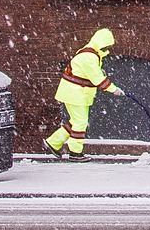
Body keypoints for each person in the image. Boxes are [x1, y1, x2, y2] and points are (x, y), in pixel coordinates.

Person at [44, 27, 124, 158]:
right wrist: (113, 89)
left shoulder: (91, 53)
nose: (107, 48)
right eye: (106, 45)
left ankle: (53, 142)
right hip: (75, 93)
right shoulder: (89, 57)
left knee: (76, 121)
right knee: (80, 123)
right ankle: (75, 152)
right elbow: (97, 79)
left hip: (77, 93)